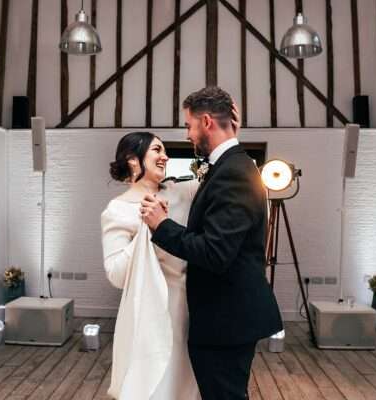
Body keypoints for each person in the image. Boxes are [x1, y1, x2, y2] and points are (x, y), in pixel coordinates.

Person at [141, 86, 283, 399]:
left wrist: (161, 226)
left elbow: (215, 252)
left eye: (189, 126)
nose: (188, 135)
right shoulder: (231, 166)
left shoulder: (234, 172)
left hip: (226, 321)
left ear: (206, 122)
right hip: (226, 318)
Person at [100, 132, 201, 399]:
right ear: (133, 160)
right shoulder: (117, 210)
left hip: (192, 311)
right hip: (149, 316)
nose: (165, 156)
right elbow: (116, 275)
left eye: (164, 150)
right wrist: (149, 227)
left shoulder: (184, 191)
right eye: (157, 150)